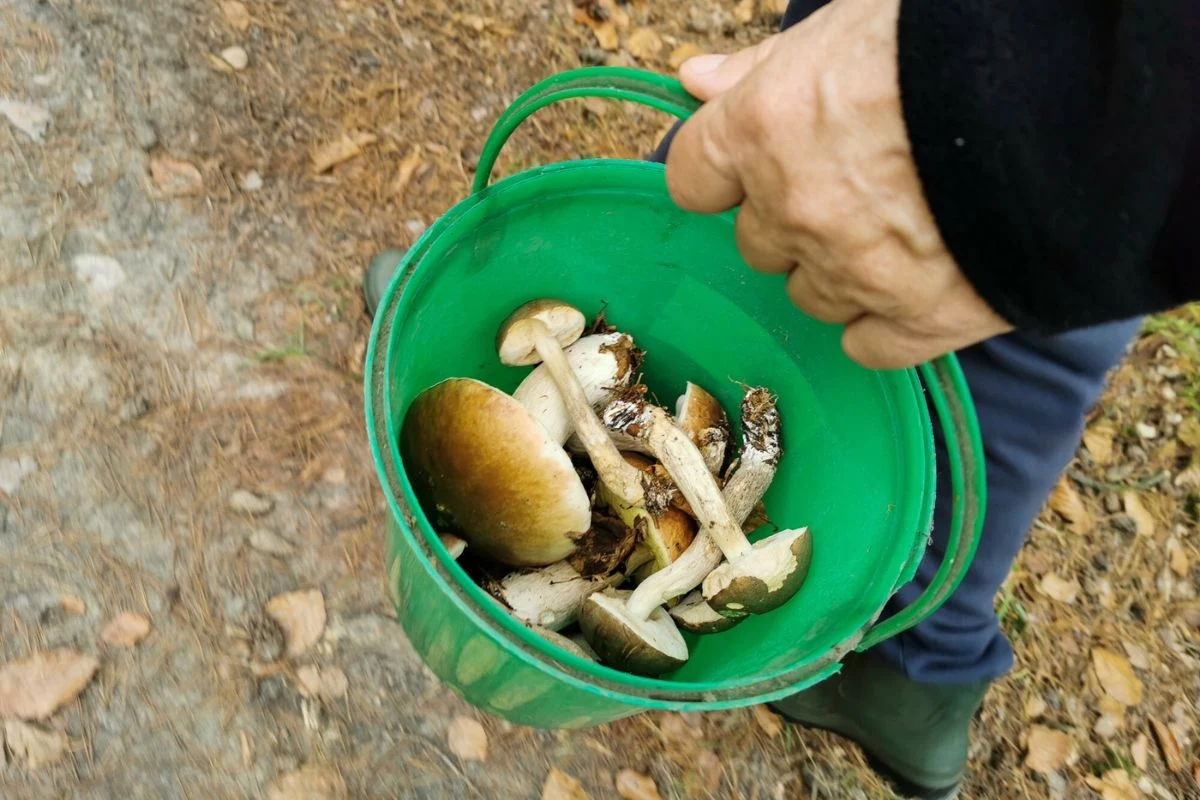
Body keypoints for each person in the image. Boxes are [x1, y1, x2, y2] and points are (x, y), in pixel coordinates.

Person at [363, 0, 1197, 796]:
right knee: (793, 180)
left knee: (984, 289)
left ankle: (913, 668)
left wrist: (1003, 109)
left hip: (1085, 87)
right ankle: (923, 674)